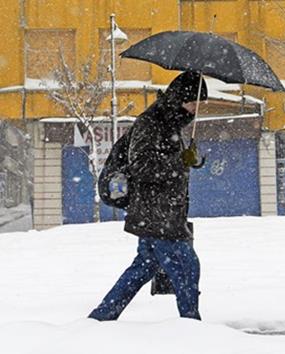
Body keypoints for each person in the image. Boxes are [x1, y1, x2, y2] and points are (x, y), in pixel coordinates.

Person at [88, 71, 208, 321]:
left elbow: (167, 164)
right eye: (194, 102)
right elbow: (140, 165)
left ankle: (100, 319)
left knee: (143, 267)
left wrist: (188, 162)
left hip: (162, 213)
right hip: (156, 214)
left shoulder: (170, 123)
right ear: (180, 98)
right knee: (186, 265)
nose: (196, 108)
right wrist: (179, 162)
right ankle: (192, 326)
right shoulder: (151, 122)